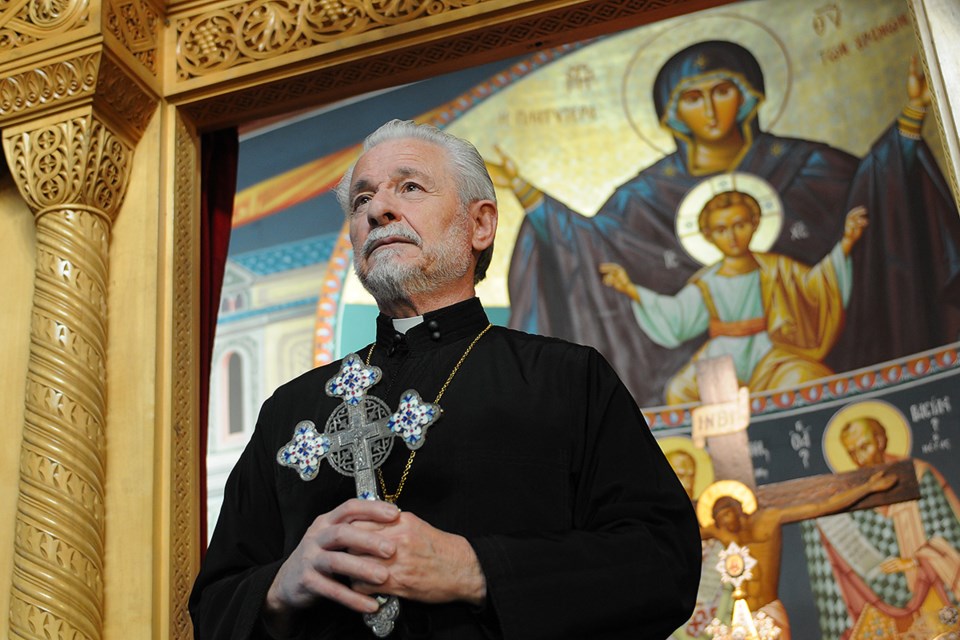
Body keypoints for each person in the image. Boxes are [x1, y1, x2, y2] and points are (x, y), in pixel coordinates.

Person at [189, 119, 702, 639]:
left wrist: (475, 568)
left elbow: (663, 564)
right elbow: (213, 607)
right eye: (361, 199)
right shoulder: (290, 411)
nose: (377, 209)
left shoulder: (566, 379)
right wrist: (278, 588)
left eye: (409, 187)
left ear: (479, 225)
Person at [490, 40, 960, 406]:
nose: (711, 110)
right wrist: (533, 200)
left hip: (787, 354)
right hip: (716, 364)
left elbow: (874, 192)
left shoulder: (808, 166)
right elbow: (592, 246)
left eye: (722, 91)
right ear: (673, 113)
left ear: (749, 96)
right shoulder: (645, 197)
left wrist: (912, 116)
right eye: (693, 97)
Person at [598, 190, 867, 403]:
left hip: (772, 354)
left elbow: (815, 288)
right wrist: (629, 289)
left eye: (739, 225)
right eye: (721, 229)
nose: (732, 236)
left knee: (810, 378)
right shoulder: (707, 282)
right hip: (721, 359)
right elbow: (678, 318)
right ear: (708, 235)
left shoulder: (777, 267)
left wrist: (846, 244)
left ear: (755, 224)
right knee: (680, 392)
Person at [801, 417, 960, 638]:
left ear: (880, 440)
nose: (860, 458)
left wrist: (914, 561)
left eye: (864, 447)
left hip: (929, 589)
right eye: (852, 452)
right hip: (878, 601)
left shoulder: (919, 476)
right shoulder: (853, 493)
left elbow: (950, 534)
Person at [696, 472, 898, 640]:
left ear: (738, 507)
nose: (724, 523)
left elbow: (822, 506)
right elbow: (683, 533)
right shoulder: (720, 531)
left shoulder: (770, 518)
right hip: (740, 617)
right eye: (719, 520)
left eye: (726, 515)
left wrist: (868, 488)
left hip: (770, 611)